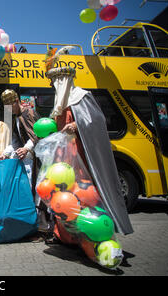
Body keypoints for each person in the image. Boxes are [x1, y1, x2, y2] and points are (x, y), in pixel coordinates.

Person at [46, 66, 134, 244]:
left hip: (82, 160)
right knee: (64, 198)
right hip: (64, 161)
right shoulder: (60, 103)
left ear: (64, 81)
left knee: (84, 197)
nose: (53, 86)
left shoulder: (81, 96)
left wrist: (76, 126)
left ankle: (89, 238)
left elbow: (97, 121)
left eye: (55, 82)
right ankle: (65, 236)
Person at [0, 89, 49, 242]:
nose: (8, 108)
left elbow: (36, 135)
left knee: (38, 193)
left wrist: (27, 148)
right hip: (27, 161)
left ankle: (43, 229)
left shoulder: (29, 113)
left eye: (10, 104)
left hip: (37, 160)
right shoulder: (16, 117)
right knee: (29, 193)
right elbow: (15, 140)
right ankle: (31, 226)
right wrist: (5, 153)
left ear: (16, 101)